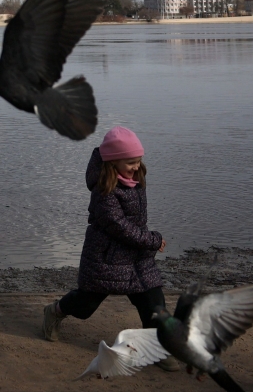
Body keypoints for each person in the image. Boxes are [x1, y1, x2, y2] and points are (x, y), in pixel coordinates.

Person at [42, 126, 180, 372]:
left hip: (137, 258)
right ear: (113, 162)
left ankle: (158, 348)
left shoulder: (136, 180)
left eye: (138, 161)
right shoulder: (103, 191)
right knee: (85, 305)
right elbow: (120, 227)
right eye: (130, 162)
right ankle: (55, 311)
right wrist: (152, 239)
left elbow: (134, 225)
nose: (136, 166)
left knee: (153, 302)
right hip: (106, 258)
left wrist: (145, 242)